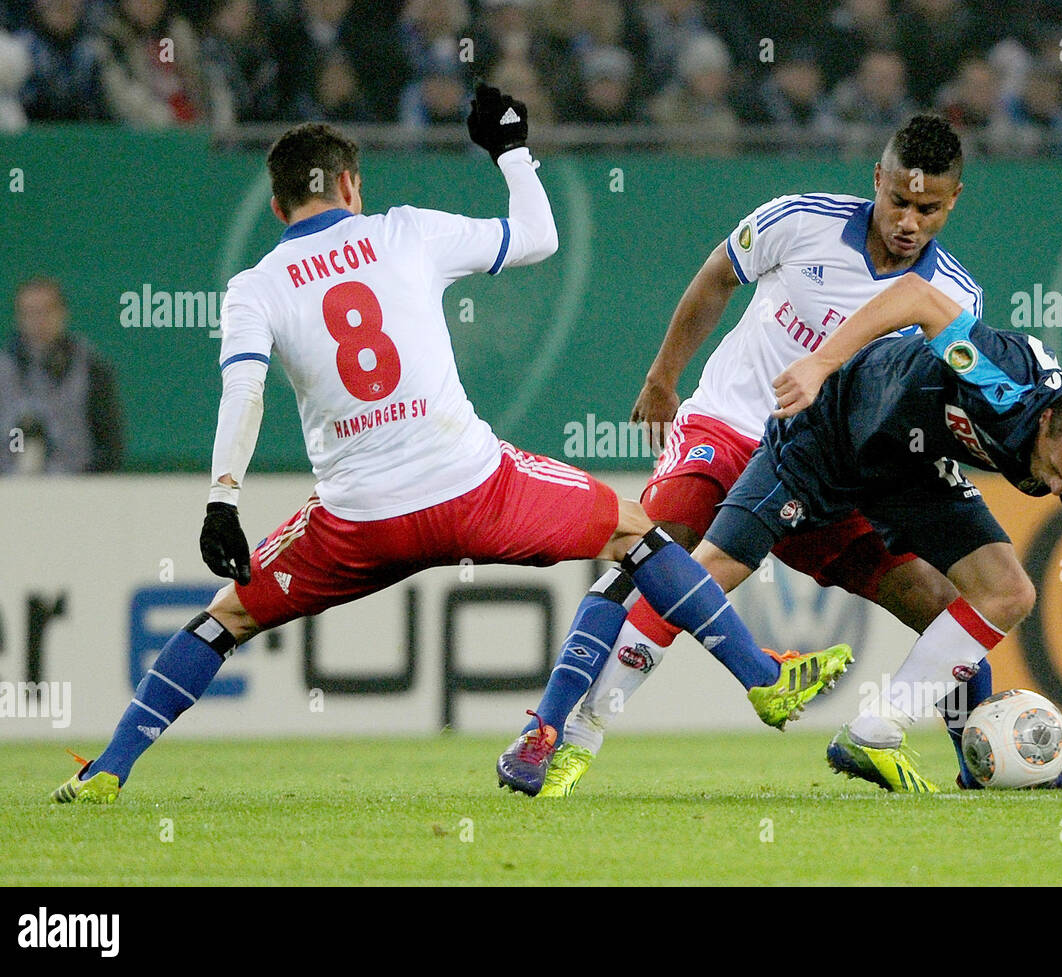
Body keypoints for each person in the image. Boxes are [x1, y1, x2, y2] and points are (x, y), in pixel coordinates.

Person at [51, 85, 843, 804]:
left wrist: (223, 499)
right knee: (637, 533)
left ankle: (110, 769)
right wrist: (511, 150)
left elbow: (243, 391)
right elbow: (537, 238)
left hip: (356, 523)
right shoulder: (405, 233)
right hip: (474, 489)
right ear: (352, 185)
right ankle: (761, 676)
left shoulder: (255, 287)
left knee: (222, 620)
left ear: (277, 202)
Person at [498, 115, 1062, 798]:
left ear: (954, 202)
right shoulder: (800, 219)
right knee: (655, 556)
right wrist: (662, 376)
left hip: (830, 466)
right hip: (729, 425)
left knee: (938, 599)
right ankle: (552, 731)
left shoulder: (958, 298)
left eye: (927, 209)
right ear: (877, 181)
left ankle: (979, 755)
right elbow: (717, 275)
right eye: (898, 200)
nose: (907, 221)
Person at [756, 272, 1062, 789]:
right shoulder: (1003, 379)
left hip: (916, 459)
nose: (1052, 487)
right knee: (1001, 587)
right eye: (1051, 467)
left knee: (1006, 592)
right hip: (865, 412)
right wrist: (822, 363)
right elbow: (915, 294)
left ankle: (883, 729)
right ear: (1047, 422)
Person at [0, 277, 123, 474]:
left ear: (62, 313)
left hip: (76, 486)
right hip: (10, 487)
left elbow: (110, 439)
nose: (38, 321)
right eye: (30, 313)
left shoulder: (91, 367)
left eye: (46, 311)